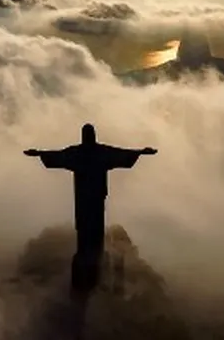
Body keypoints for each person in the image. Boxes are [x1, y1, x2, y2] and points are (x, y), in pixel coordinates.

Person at [24, 123, 157, 293]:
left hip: (90, 198)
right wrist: (39, 153)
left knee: (91, 227)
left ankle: (92, 257)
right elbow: (120, 154)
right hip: (87, 199)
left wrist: (140, 152)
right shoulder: (94, 153)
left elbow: (59, 155)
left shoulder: (82, 153)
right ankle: (88, 258)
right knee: (87, 227)